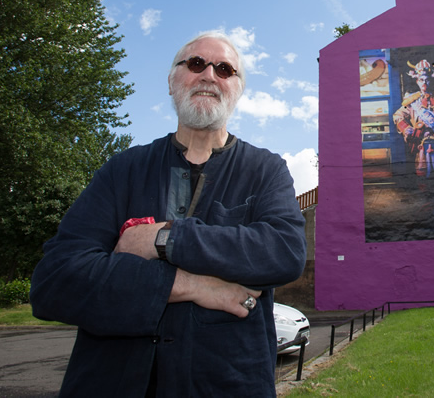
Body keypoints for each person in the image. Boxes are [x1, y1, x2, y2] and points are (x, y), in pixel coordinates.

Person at [30, 31, 307, 397]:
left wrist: (164, 238)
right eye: (195, 64)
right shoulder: (122, 170)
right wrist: (195, 286)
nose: (209, 75)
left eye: (225, 69)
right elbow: (55, 281)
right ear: (172, 80)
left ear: (237, 89)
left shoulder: (266, 170)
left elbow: (283, 252)